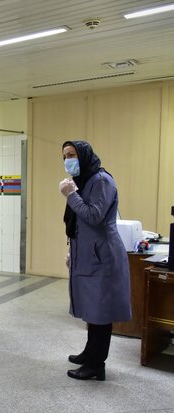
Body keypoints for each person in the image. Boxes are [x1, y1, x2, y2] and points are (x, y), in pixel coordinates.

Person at [59, 140, 131, 381]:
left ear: (85, 155)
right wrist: (74, 251)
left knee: (101, 311)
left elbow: (94, 215)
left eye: (73, 154)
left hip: (103, 255)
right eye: (65, 155)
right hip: (89, 251)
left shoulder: (101, 180)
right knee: (93, 308)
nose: (68, 159)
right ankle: (90, 353)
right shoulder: (85, 179)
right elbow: (79, 223)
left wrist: (71, 195)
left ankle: (96, 365)